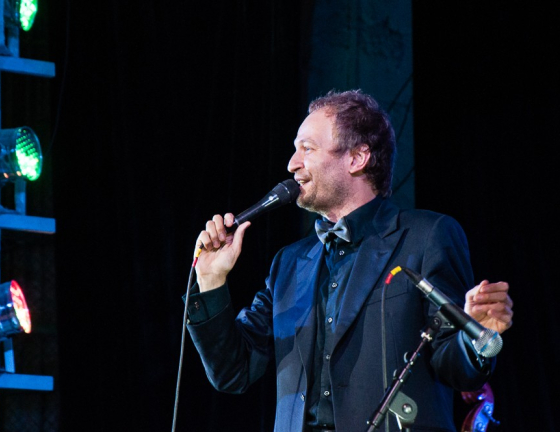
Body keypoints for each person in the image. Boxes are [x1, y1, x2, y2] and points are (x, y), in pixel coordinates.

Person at [185, 89, 513, 432]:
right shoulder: (289, 263)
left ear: (357, 158)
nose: (292, 164)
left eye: (307, 148)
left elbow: (455, 368)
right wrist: (211, 281)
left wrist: (476, 337)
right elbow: (233, 372)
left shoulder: (426, 236)